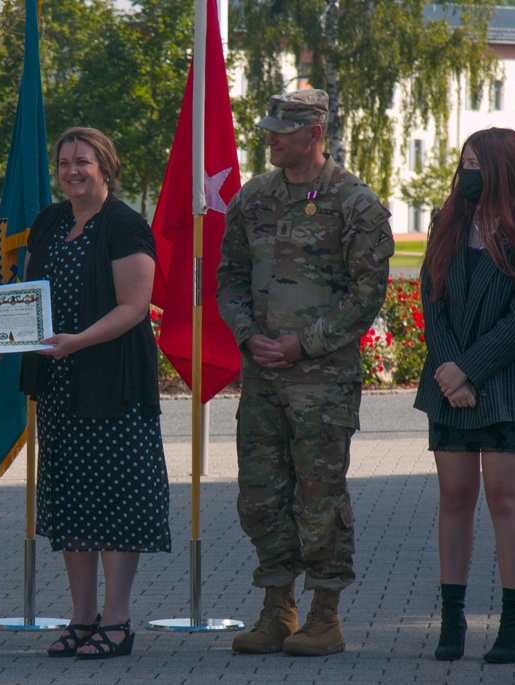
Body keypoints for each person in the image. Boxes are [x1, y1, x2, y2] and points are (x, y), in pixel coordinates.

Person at [216, 89, 394, 657]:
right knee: (261, 496)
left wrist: (303, 344)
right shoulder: (253, 199)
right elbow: (229, 278)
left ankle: (325, 616)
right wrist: (250, 336)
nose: (268, 137)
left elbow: (367, 294)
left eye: (280, 130)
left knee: (319, 498)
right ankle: (276, 610)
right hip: (263, 378)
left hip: (322, 383)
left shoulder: (354, 203)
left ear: (313, 134)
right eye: (267, 128)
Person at [413, 127, 515, 664]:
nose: (466, 173)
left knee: (503, 498)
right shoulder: (447, 220)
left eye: (475, 162)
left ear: (503, 167)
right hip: (448, 380)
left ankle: (514, 621)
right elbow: (431, 298)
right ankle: (452, 621)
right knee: (454, 498)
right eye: (464, 162)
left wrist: (470, 372)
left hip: (504, 382)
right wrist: (450, 369)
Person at [18, 127, 171, 660]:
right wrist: (3, 318)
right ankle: (81, 617)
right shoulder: (50, 221)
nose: (71, 171)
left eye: (82, 161)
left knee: (117, 502)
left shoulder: (125, 225)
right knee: (72, 506)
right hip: (60, 386)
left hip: (112, 384)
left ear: (106, 166)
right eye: (63, 162)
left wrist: (78, 341)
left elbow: (135, 306)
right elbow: (28, 294)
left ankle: (118, 619)